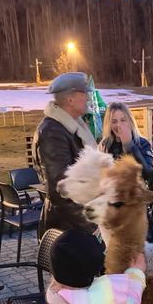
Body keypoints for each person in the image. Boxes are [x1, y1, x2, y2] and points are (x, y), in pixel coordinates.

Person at [34, 72, 98, 236]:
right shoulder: (52, 133)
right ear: (70, 99)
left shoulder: (72, 126)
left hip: (77, 224)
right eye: (85, 94)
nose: (89, 99)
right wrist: (93, 225)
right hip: (67, 229)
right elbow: (61, 191)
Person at [98, 102, 153, 187]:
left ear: (130, 121)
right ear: (109, 124)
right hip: (111, 195)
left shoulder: (142, 143)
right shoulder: (104, 145)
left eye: (123, 120)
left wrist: (129, 146)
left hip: (135, 195)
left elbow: (149, 174)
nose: (119, 125)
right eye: (114, 122)